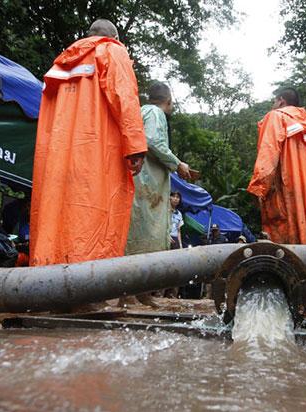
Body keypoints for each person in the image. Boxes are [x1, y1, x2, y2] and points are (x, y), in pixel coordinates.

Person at [30, 19, 147, 267]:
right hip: (97, 153)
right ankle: (89, 284)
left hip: (57, 156)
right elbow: (124, 98)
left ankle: (50, 279)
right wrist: (135, 146)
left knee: (56, 215)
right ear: (113, 37)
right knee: (94, 216)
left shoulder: (58, 66)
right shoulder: (112, 50)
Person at [247, 87, 306, 245]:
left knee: (283, 244)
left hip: (283, 189)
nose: (273, 104)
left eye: (274, 101)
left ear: (281, 100)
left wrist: (258, 187)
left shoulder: (275, 117)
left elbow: (268, 154)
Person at [125, 82, 190, 255]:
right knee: (149, 237)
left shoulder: (140, 112)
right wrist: (178, 164)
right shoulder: (155, 112)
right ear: (168, 101)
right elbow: (153, 140)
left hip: (138, 182)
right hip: (148, 184)